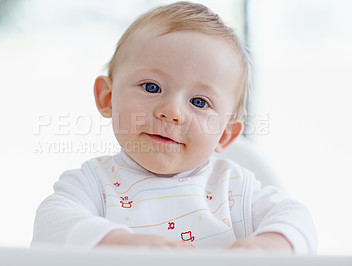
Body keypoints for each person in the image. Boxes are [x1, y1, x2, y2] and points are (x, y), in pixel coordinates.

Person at [31, 1, 317, 253]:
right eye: (152, 87)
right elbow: (50, 226)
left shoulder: (235, 189)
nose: (171, 111)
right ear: (107, 97)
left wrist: (265, 246)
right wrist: (122, 244)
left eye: (199, 102)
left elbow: (296, 218)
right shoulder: (92, 185)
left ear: (226, 134)